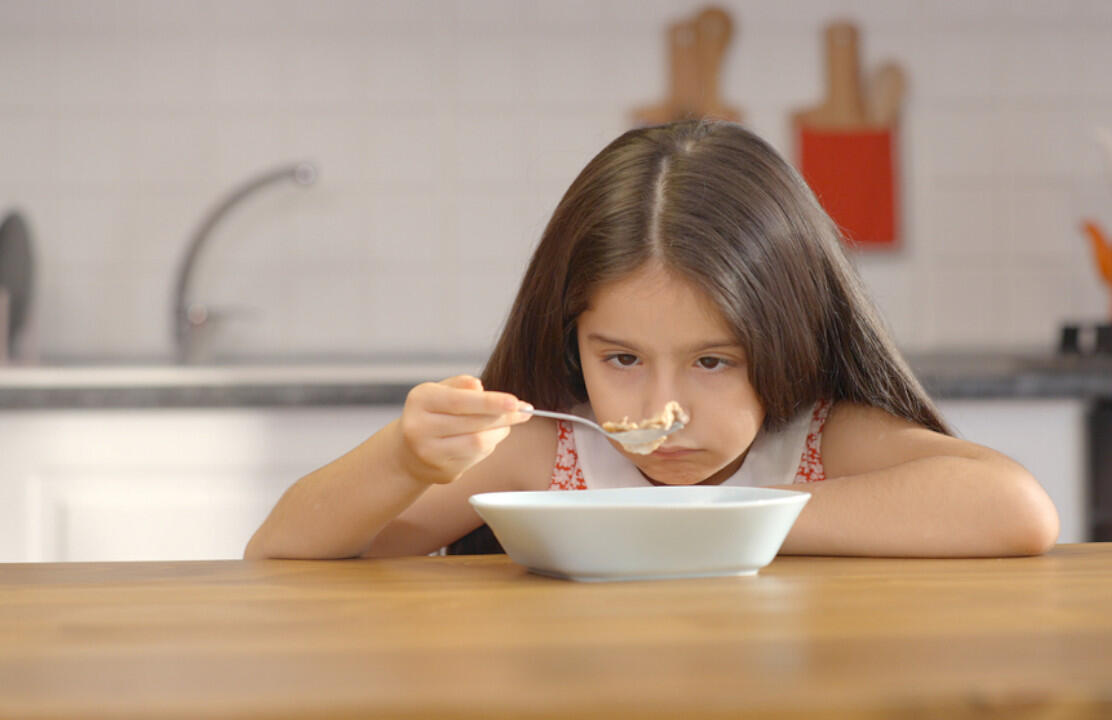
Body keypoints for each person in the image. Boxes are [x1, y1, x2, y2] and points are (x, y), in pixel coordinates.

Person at [245, 119, 1058, 561]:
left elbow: (1014, 510)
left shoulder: (818, 436)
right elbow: (281, 553)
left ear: (785, 340)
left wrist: (723, 516)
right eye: (622, 358)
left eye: (712, 361)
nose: (662, 408)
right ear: (572, 341)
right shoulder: (547, 452)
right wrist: (402, 460)